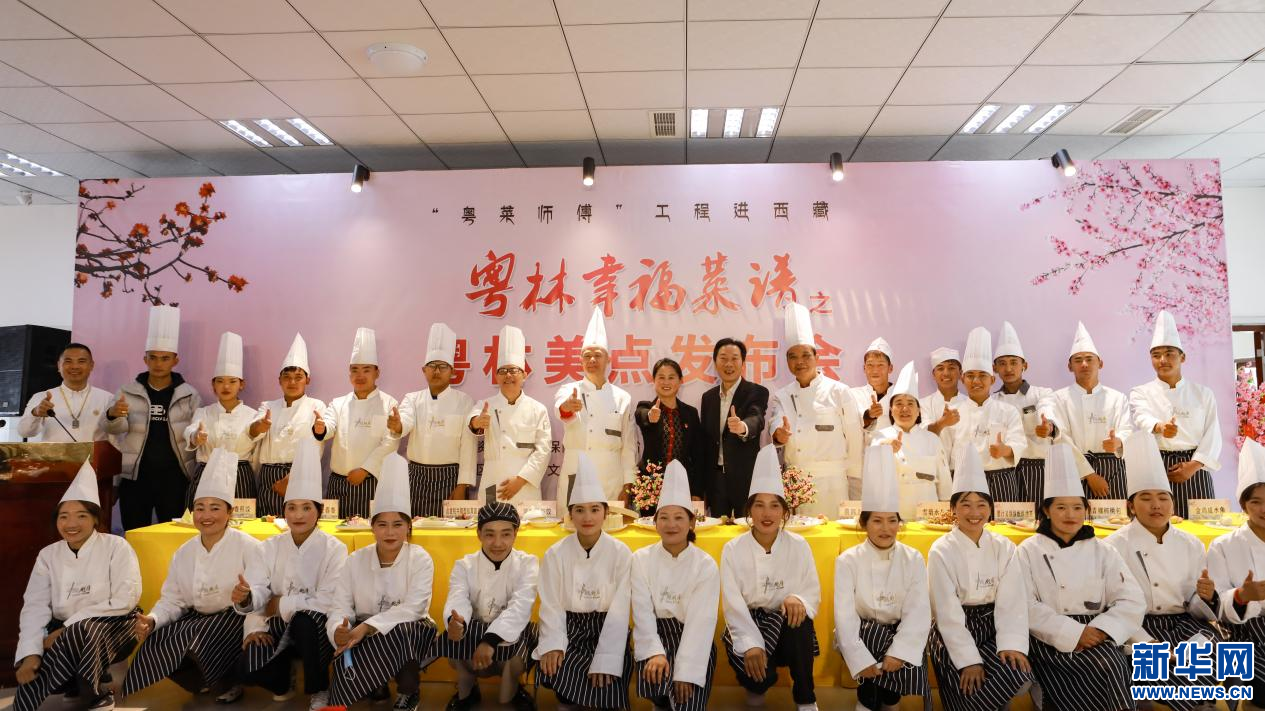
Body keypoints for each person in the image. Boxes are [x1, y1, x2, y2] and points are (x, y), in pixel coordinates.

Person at [122, 448, 263, 703]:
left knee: (199, 638)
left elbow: (262, 594)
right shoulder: (185, 552)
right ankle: (202, 681)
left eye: (215, 508)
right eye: (200, 508)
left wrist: (247, 598)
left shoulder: (248, 546)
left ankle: (229, 682)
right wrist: (152, 620)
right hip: (197, 616)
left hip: (234, 617)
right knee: (157, 641)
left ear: (229, 513)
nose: (206, 516)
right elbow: (172, 599)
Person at [1014, 443, 1144, 711]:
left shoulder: (1103, 550)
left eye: (1076, 507)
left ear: (1086, 509)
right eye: (1061, 507)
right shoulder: (1027, 550)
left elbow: (1131, 599)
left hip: (1098, 631)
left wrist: (1102, 630)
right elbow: (1024, 604)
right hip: (1049, 636)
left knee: (1111, 663)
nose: (1070, 515)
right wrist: (1073, 633)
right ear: (1047, 511)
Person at [13, 460, 141, 711]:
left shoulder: (116, 546)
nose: (71, 524)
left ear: (95, 519)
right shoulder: (48, 555)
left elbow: (125, 599)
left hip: (116, 626)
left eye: (81, 515)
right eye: (64, 516)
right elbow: (35, 606)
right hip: (61, 630)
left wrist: (68, 627)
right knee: (40, 660)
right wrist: (30, 652)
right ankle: (77, 682)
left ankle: (95, 694)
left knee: (81, 632)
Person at [1105, 432, 1220, 710]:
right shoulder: (1112, 546)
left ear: (1173, 503)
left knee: (1214, 652)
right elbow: (1113, 607)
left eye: (1163, 498)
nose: (1156, 505)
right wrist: (1148, 642)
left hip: (1184, 625)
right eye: (1145, 498)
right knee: (1160, 669)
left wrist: (1207, 597)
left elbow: (1195, 605)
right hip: (1138, 627)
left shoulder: (1191, 543)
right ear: (1131, 506)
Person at [233, 439, 347, 711]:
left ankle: (320, 689)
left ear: (319, 511)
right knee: (247, 669)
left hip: (316, 630)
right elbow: (257, 590)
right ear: (283, 510)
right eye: (291, 507)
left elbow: (329, 600)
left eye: (307, 507)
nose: (298, 515)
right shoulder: (269, 547)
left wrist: (280, 603)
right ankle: (284, 679)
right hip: (275, 625)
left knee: (306, 622)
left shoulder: (334, 549)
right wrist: (247, 600)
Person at [326, 453, 436, 711]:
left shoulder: (420, 558)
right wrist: (338, 630)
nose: (390, 532)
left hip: (411, 629)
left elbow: (414, 608)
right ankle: (375, 685)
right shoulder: (355, 560)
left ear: (408, 527)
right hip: (362, 631)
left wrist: (367, 627)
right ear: (372, 527)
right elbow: (339, 606)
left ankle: (409, 691)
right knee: (347, 669)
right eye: (382, 525)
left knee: (404, 631)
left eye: (398, 525)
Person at [926, 446, 1033, 711]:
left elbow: (1012, 602)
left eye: (981, 505)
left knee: (1017, 671)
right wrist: (968, 661)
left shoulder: (1004, 547)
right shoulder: (941, 550)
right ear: (953, 508)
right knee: (969, 685)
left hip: (994, 625)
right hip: (954, 631)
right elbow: (946, 612)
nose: (974, 512)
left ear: (991, 508)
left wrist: (1011, 644)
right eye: (965, 504)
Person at [721, 444, 821, 711]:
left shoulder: (799, 545)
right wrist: (750, 644)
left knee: (800, 618)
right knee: (758, 686)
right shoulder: (733, 549)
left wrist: (798, 598)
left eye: (774, 506)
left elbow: (811, 589)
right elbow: (733, 604)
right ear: (749, 511)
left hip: (786, 624)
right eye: (759, 506)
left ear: (784, 512)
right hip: (749, 621)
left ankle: (806, 697)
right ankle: (757, 683)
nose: (767, 514)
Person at [834, 445, 931, 711]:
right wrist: (859, 658)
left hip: (901, 631)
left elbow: (918, 612)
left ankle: (890, 697)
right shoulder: (848, 561)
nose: (886, 529)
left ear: (900, 523)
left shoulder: (913, 558)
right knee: (872, 634)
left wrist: (899, 652)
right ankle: (868, 698)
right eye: (877, 521)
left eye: (892, 520)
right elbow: (845, 616)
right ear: (864, 524)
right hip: (861, 634)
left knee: (892, 644)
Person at [534, 453, 634, 710]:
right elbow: (551, 605)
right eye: (579, 510)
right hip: (570, 629)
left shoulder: (621, 553)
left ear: (606, 512)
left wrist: (607, 658)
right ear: (570, 515)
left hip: (607, 628)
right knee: (559, 673)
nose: (587, 517)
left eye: (595, 509)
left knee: (606, 683)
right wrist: (554, 644)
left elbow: (620, 610)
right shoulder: (555, 553)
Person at [630, 460, 719, 711]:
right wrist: (654, 652)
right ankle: (658, 701)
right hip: (655, 634)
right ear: (655, 522)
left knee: (686, 701)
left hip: (692, 639)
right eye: (664, 518)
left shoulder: (705, 565)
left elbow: (701, 622)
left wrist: (686, 671)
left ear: (692, 523)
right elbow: (642, 613)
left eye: (679, 517)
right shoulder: (640, 559)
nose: (671, 525)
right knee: (657, 683)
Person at [106, 305, 202, 530]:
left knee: (173, 534)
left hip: (176, 477)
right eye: (153, 358)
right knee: (135, 532)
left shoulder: (189, 394)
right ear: (145, 359)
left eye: (165, 358)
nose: (159, 364)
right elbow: (114, 431)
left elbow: (195, 434)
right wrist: (112, 416)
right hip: (135, 476)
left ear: (175, 360)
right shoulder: (127, 391)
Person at [436, 501, 539, 711]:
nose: (497, 543)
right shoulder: (464, 565)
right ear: (479, 534)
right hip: (474, 628)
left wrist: (489, 641)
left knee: (517, 653)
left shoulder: (527, 563)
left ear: (515, 534)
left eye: (506, 534)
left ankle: (514, 689)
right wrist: (456, 623)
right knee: (453, 643)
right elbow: (458, 598)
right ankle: (467, 691)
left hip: (510, 631)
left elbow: (520, 606)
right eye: (490, 534)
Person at [768, 301, 863, 514]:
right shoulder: (782, 396)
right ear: (786, 361)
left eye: (805, 355)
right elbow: (776, 422)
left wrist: (855, 486)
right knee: (799, 533)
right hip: (796, 482)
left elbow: (855, 440)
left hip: (833, 484)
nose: (799, 361)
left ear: (817, 357)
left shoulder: (840, 391)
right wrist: (779, 435)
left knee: (834, 532)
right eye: (793, 356)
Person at [1129, 310, 1221, 520]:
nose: (1163, 360)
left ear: (1182, 357)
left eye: (1169, 353)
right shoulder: (1140, 392)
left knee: (1201, 525)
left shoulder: (1203, 393)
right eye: (1156, 355)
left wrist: (1194, 466)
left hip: (1195, 467)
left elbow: (1213, 434)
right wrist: (1160, 427)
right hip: (1155, 465)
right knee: (1155, 525)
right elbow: (1141, 417)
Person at [554, 308, 638, 507]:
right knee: (571, 523)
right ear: (580, 360)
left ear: (608, 359)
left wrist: (628, 485)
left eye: (598, 355)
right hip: (576, 473)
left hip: (610, 478)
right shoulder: (568, 390)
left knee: (610, 523)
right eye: (587, 356)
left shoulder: (622, 398)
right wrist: (568, 406)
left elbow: (628, 446)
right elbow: (560, 409)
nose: (592, 360)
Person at [391, 322, 477, 515]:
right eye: (432, 366)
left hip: (450, 479)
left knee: (449, 529)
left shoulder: (464, 401)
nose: (436, 371)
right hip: (416, 478)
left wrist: (462, 485)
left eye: (443, 366)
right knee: (415, 526)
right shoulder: (412, 399)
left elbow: (468, 447)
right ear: (424, 370)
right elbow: (405, 420)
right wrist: (398, 426)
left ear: (452, 371)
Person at [316, 327, 399, 519]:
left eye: (366, 370)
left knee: (370, 531)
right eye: (355, 370)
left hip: (371, 482)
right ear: (349, 374)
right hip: (338, 483)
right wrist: (320, 428)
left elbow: (390, 442)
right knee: (334, 531)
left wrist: (365, 470)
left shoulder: (389, 403)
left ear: (377, 373)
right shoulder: (338, 403)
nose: (360, 376)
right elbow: (328, 426)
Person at [1205, 439, 1265, 707]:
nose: (1263, 509)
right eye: (1256, 502)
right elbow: (1216, 602)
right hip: (1244, 632)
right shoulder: (1223, 545)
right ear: (1244, 505)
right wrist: (1242, 596)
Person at [1047, 322, 1133, 500]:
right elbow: (1061, 438)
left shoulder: (1117, 398)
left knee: (1115, 516)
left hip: (1113, 470)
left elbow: (1127, 430)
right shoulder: (1058, 398)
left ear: (1100, 363)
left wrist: (1118, 442)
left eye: (1089, 359)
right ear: (1070, 366)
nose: (1084, 364)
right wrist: (1089, 474)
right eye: (1078, 360)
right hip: (1073, 470)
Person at [466, 325, 551, 504]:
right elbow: (472, 421)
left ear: (524, 375)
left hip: (525, 486)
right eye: (502, 371)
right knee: (490, 520)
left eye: (513, 370)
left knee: (527, 522)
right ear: (496, 377)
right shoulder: (485, 405)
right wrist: (477, 422)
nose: (508, 375)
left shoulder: (538, 409)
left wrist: (520, 481)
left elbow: (543, 451)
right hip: (493, 483)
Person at [248, 333, 325, 517]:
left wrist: (292, 478)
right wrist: (261, 426)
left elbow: (316, 447)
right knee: (268, 525)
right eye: (287, 377)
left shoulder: (316, 406)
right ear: (279, 380)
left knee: (298, 523)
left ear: (307, 380)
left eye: (298, 377)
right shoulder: (268, 406)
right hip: (269, 477)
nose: (292, 382)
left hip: (301, 475)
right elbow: (252, 432)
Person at [949, 327, 1026, 504]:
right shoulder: (952, 412)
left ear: (992, 379)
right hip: (962, 481)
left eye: (982, 375)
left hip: (1001, 480)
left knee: (1003, 521)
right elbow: (943, 453)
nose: (976, 381)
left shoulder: (1008, 411)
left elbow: (1019, 442)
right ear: (962, 379)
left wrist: (1005, 450)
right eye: (970, 376)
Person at [183, 332, 257, 511]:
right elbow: (190, 430)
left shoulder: (253, 415)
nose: (226, 386)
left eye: (232, 381)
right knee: (201, 520)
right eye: (220, 381)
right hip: (206, 473)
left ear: (241, 384)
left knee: (241, 523)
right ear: (213, 385)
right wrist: (196, 436)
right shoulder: (203, 412)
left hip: (240, 475)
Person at [700, 336, 768, 519]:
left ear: (743, 363)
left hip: (745, 478)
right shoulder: (708, 398)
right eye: (723, 358)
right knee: (717, 528)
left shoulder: (757, 392)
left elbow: (757, 418)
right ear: (715, 362)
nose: (728, 364)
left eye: (734, 359)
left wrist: (742, 426)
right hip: (715, 481)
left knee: (746, 527)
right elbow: (705, 442)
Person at [872, 362, 951, 519]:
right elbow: (872, 476)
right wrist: (884, 449)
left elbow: (945, 483)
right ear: (891, 410)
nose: (905, 409)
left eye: (910, 404)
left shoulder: (932, 439)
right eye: (899, 404)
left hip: (929, 516)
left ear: (918, 410)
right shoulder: (880, 436)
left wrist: (947, 512)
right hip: (893, 515)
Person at [991, 321, 1057, 506]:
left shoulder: (1041, 394)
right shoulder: (992, 401)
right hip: (1004, 470)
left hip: (1037, 468)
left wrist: (1048, 426)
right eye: (1002, 364)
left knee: (1039, 517)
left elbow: (1047, 409)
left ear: (1024, 365)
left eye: (1014, 362)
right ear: (995, 368)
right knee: (1007, 518)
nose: (1008, 369)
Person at [634, 358, 705, 506]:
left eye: (671, 377)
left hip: (682, 484)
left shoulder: (690, 413)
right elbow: (642, 415)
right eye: (661, 377)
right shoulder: (645, 406)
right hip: (651, 485)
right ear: (654, 380)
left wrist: (697, 491)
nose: (666, 382)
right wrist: (651, 416)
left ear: (680, 381)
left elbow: (698, 455)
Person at [18, 342, 113, 443]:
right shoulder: (41, 397)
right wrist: (35, 413)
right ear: (59, 366)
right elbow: (24, 432)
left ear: (91, 365)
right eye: (68, 361)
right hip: (54, 454)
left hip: (95, 454)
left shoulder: (107, 399)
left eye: (81, 361)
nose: (75, 366)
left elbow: (116, 437)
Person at [851, 337, 895, 440]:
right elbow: (848, 427)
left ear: (890, 368)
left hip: (894, 449)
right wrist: (868, 416)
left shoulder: (901, 395)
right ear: (864, 368)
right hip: (864, 450)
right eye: (870, 365)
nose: (875, 370)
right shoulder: (852, 395)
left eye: (880, 365)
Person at [921, 346, 962, 440]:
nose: (946, 373)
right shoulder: (923, 404)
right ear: (933, 374)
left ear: (960, 373)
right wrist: (942, 423)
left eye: (951, 368)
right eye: (940, 368)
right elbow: (922, 437)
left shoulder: (969, 403)